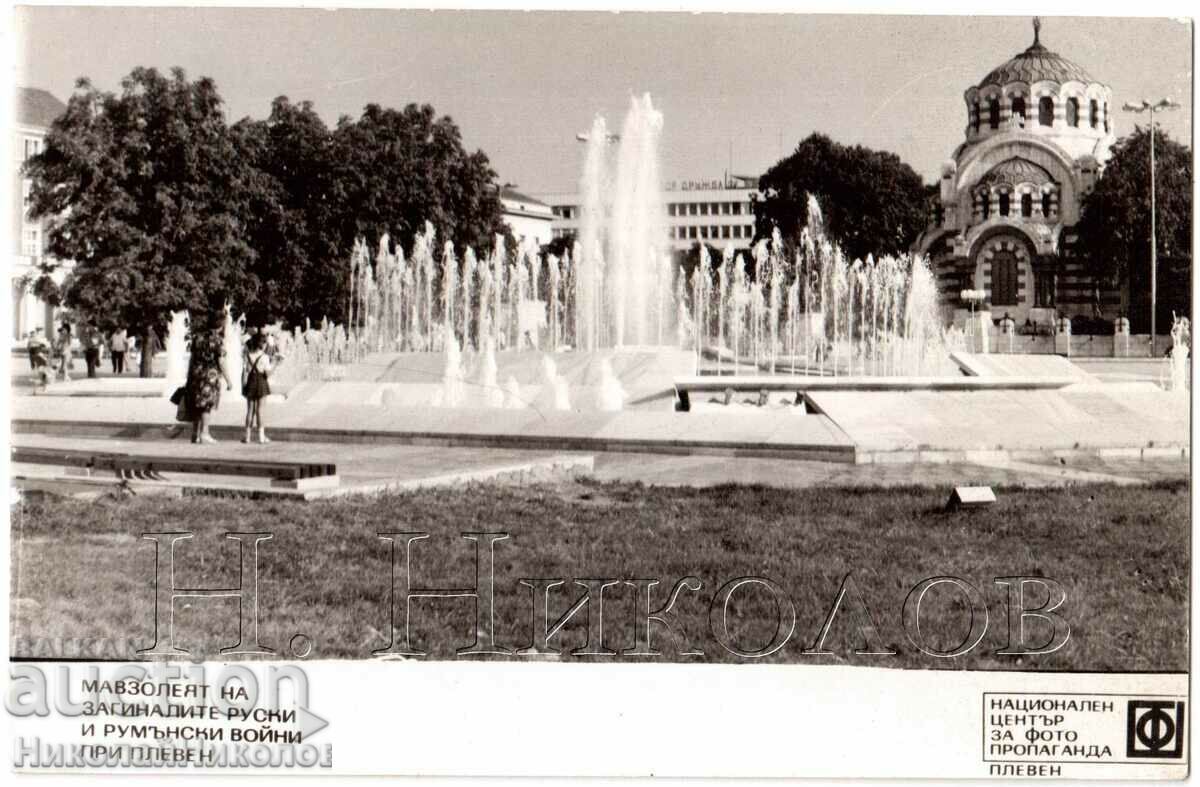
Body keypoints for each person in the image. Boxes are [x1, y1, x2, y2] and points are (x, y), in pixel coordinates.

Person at [185, 326, 232, 444]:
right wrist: (228, 380)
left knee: (197, 404)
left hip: (196, 374)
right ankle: (204, 433)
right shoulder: (217, 340)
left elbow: (192, 359)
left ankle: (195, 434)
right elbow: (221, 361)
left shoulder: (197, 338)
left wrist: (189, 376)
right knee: (206, 405)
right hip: (210, 376)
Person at [241, 333, 273, 444]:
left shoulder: (247, 355)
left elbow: (245, 372)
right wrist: (276, 364)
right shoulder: (265, 357)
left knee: (250, 410)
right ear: (262, 344)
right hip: (261, 382)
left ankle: (247, 437)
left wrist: (243, 385)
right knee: (261, 410)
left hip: (251, 381)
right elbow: (268, 374)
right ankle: (261, 437)